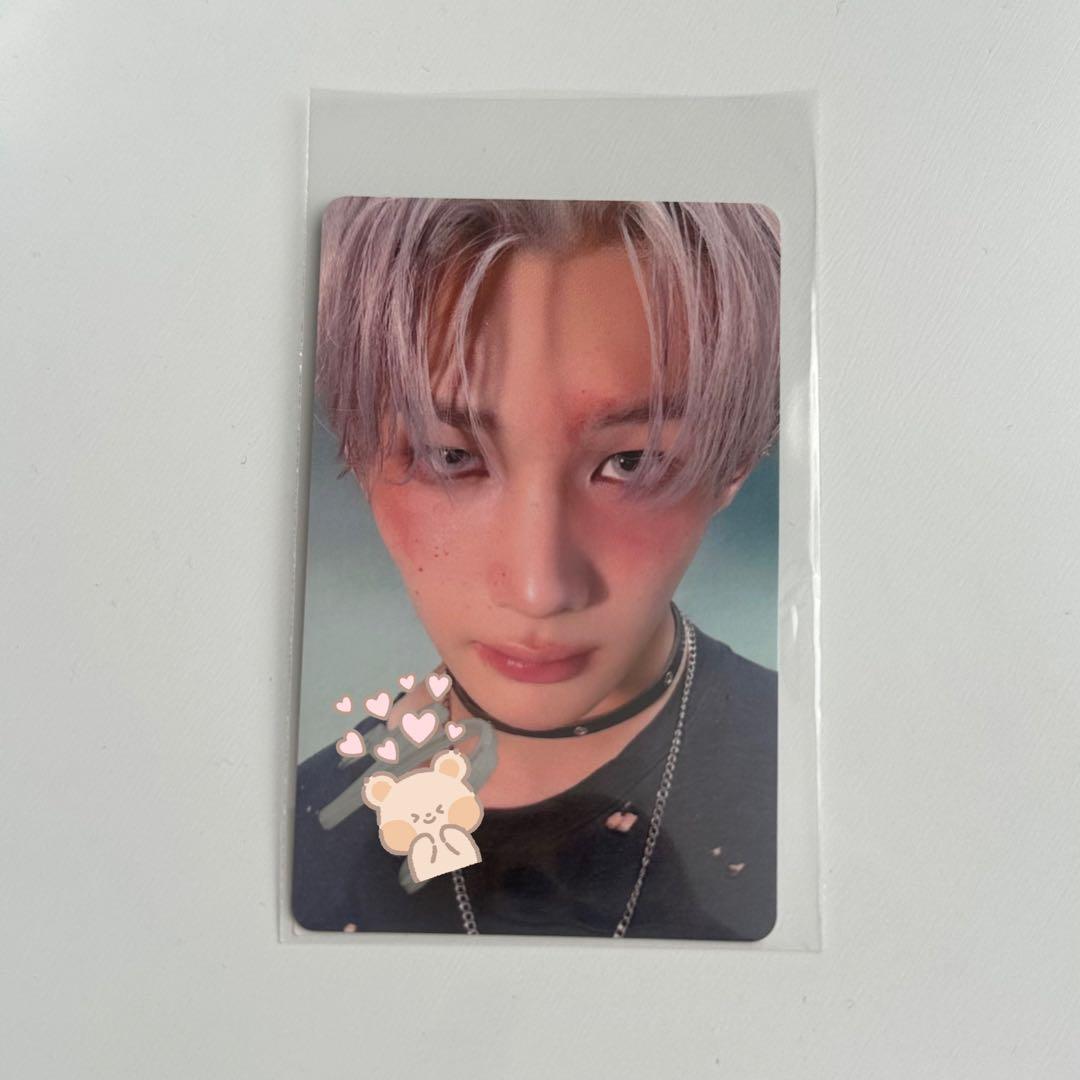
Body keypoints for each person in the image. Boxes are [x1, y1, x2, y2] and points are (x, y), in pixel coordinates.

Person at [292, 198, 780, 941]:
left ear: (735, 463)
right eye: (450, 455)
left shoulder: (825, 783)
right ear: (358, 452)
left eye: (633, 461)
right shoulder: (302, 838)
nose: (538, 589)